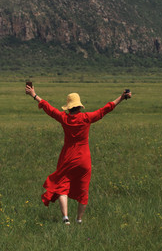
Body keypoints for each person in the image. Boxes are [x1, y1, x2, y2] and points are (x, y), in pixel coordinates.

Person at [25, 84, 132, 225]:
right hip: (84, 159)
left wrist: (34, 95)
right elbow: (106, 108)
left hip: (68, 157)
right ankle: (79, 219)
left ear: (69, 107)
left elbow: (49, 108)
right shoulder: (87, 118)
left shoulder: (64, 118)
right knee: (83, 189)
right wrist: (122, 97)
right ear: (80, 106)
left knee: (62, 185)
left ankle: (65, 218)